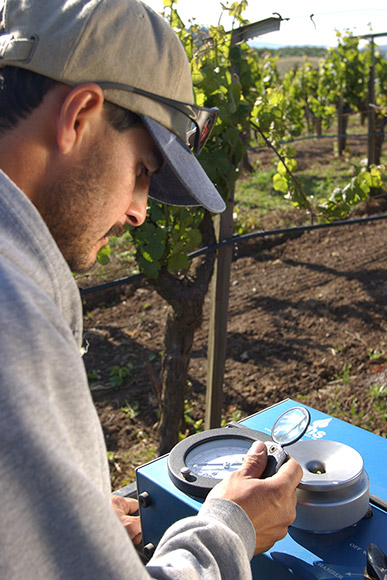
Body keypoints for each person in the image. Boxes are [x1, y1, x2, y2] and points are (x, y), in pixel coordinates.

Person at [0, 0, 302, 578]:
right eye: (142, 168)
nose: (139, 211)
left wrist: (73, 527)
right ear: (78, 116)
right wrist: (229, 529)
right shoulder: (14, 326)